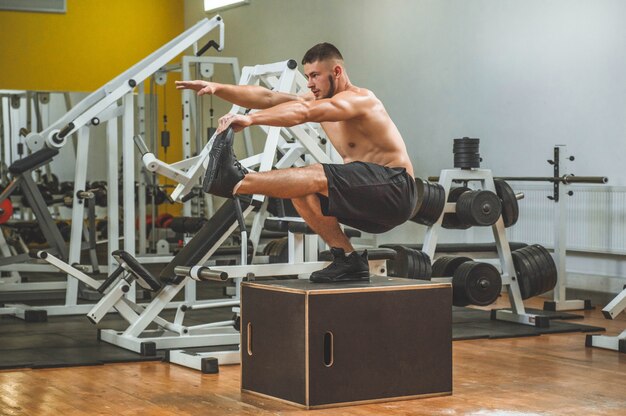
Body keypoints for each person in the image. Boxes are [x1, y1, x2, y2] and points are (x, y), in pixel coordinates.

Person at [175, 43, 417, 283]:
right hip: (370, 201)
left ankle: (239, 181)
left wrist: (250, 119)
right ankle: (348, 259)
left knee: (314, 173)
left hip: (395, 189)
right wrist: (217, 87)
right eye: (307, 76)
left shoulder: (360, 99)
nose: (309, 83)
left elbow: (303, 112)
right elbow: (269, 97)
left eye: (315, 76)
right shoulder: (317, 98)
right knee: (298, 188)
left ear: (337, 72)